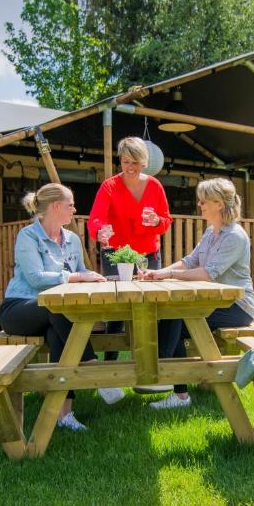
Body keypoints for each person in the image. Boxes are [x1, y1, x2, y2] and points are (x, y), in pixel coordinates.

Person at [0, 183, 120, 432]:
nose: (74, 209)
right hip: (19, 310)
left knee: (59, 335)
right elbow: (35, 278)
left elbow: (80, 272)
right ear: (55, 207)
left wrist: (92, 276)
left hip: (55, 314)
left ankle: (64, 414)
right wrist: (75, 278)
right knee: (58, 310)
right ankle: (94, 369)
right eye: (70, 204)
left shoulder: (72, 239)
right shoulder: (28, 236)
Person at [140, 177, 254, 409]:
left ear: (219, 204)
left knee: (176, 318)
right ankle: (176, 389)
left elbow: (208, 273)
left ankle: (162, 374)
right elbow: (189, 261)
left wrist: (168, 276)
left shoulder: (234, 236)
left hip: (236, 307)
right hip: (212, 302)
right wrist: (158, 272)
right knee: (171, 317)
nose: (199, 205)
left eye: (203, 201)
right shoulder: (211, 232)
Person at [87, 136, 172, 360]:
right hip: (116, 255)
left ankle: (152, 364)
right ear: (120, 162)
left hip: (148, 255)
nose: (130, 167)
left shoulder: (154, 185)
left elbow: (166, 221)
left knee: (150, 307)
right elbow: (95, 219)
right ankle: (110, 368)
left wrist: (156, 221)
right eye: (126, 162)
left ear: (143, 162)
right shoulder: (110, 186)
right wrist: (99, 232)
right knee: (117, 310)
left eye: (134, 162)